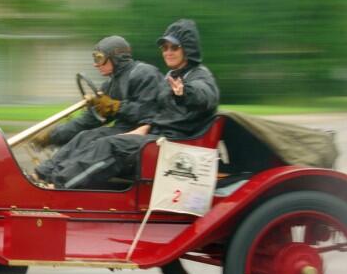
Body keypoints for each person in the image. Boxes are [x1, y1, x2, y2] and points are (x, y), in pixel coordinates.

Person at [41, 19, 219, 189]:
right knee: (92, 137)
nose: (168, 52)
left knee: (109, 145)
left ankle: (58, 186)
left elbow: (205, 96)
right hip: (158, 136)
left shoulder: (199, 76)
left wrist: (185, 93)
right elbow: (158, 115)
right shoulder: (172, 76)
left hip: (176, 145)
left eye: (174, 47)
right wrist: (144, 128)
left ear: (187, 49)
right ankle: (45, 175)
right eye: (165, 47)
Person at [33, 35, 162, 188]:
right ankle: (42, 175)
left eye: (99, 58)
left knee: (100, 142)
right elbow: (89, 120)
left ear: (117, 57)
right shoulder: (111, 84)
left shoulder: (145, 73)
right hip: (123, 130)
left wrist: (116, 106)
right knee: (85, 136)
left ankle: (58, 184)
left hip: (146, 136)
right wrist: (53, 136)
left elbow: (149, 114)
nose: (96, 64)